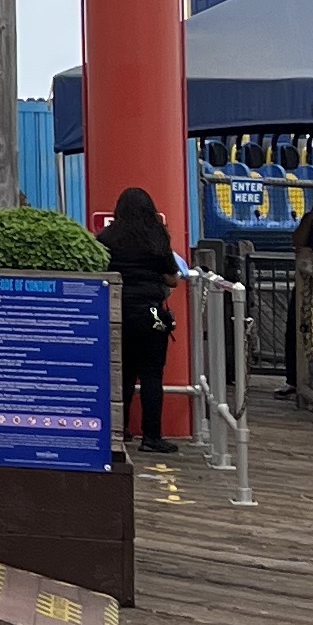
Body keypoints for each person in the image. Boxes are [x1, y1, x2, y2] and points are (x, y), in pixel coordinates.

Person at [103, 184, 181, 445]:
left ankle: (119, 430)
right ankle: (152, 436)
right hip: (151, 313)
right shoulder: (157, 236)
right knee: (151, 374)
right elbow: (172, 279)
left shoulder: (107, 237)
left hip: (118, 310)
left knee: (121, 372)